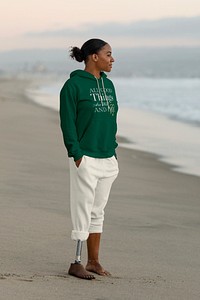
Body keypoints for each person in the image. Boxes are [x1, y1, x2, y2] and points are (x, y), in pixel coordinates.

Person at [59, 38, 119, 280]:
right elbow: (67, 122)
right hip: (85, 157)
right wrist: (76, 154)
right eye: (108, 54)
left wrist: (113, 150)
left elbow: (112, 120)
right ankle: (76, 262)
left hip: (107, 157)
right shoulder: (72, 86)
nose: (112, 59)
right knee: (82, 209)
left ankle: (93, 261)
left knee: (98, 211)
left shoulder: (110, 85)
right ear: (94, 56)